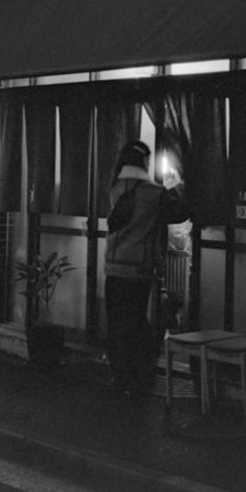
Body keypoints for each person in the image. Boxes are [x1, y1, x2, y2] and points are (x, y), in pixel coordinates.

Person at [104, 140, 189, 396]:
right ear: (144, 163)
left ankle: (120, 377)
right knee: (137, 324)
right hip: (138, 271)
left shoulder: (115, 188)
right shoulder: (152, 193)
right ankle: (139, 376)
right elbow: (179, 213)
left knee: (117, 324)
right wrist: (180, 183)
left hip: (112, 269)